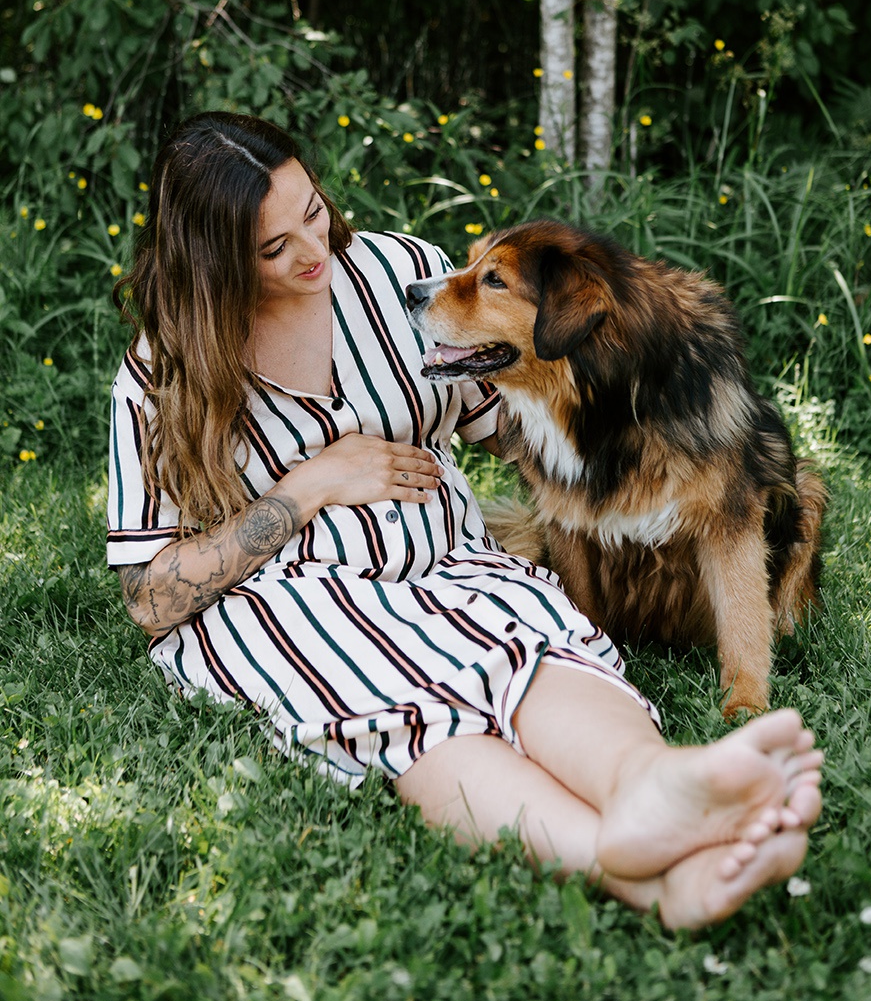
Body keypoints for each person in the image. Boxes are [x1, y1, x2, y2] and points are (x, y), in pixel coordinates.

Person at [108, 111, 822, 931]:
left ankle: (646, 782)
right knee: (411, 706)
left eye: (312, 212)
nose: (314, 254)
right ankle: (641, 877)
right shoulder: (161, 374)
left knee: (538, 645)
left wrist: (657, 403)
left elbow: (522, 413)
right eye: (273, 249)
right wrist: (306, 488)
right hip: (289, 600)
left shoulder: (397, 273)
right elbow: (151, 599)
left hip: (449, 562)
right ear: (211, 260)